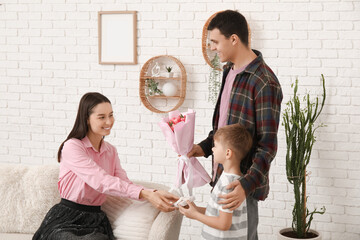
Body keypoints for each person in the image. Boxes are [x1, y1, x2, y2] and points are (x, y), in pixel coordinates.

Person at [187, 10, 283, 239]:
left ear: (234, 39)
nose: (212, 48)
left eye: (215, 42)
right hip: (222, 178)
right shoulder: (229, 71)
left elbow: (267, 145)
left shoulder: (264, 82)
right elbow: (224, 125)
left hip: (242, 188)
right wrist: (202, 147)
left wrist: (246, 185)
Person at [33, 92, 178, 240]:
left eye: (111, 115)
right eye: (102, 117)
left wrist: (154, 192)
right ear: (87, 119)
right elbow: (101, 181)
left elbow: (124, 184)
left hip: (95, 220)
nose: (109, 122)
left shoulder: (110, 151)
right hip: (66, 218)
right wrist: (146, 194)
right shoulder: (73, 146)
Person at [179, 124, 253, 239]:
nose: (212, 149)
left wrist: (195, 215)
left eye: (216, 146)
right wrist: (196, 209)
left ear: (228, 153)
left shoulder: (229, 184)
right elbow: (219, 214)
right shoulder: (231, 179)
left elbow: (223, 224)